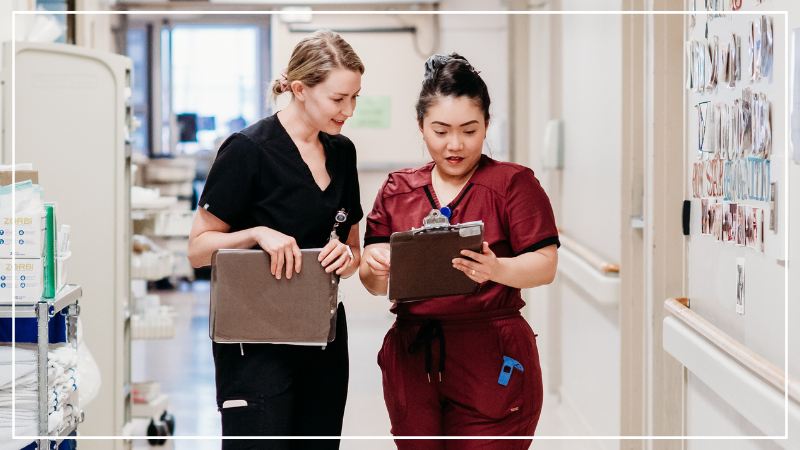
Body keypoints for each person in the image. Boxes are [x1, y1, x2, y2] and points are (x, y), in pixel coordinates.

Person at [359, 53, 559, 448]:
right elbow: (371, 281)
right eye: (440, 130)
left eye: (469, 130)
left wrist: (495, 269)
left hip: (491, 355)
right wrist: (376, 268)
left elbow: (545, 265)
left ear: (486, 126)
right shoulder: (399, 190)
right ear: (420, 127)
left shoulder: (512, 185)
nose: (455, 144)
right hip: (414, 356)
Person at [187, 30, 364, 449]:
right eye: (338, 99)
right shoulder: (248, 150)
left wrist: (347, 257)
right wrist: (255, 234)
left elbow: (354, 249)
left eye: (355, 97)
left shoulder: (343, 153)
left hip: (323, 342)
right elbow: (197, 250)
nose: (349, 110)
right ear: (300, 90)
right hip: (255, 347)